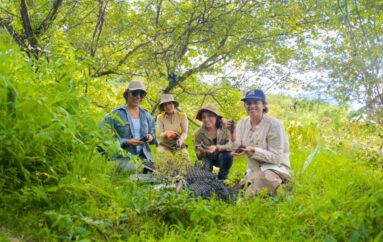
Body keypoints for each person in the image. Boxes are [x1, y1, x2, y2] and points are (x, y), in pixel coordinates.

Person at [233, 89, 291, 197]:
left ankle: (281, 184)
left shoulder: (274, 125)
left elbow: (276, 158)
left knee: (249, 197)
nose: (252, 106)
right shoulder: (242, 123)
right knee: (237, 192)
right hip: (254, 170)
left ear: (264, 105)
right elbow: (236, 145)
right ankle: (272, 187)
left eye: (256, 102)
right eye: (249, 103)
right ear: (245, 105)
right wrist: (232, 139)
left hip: (275, 168)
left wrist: (254, 150)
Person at [101, 80, 156, 172]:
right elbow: (104, 140)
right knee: (136, 169)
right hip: (122, 158)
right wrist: (126, 142)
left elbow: (154, 137)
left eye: (141, 94)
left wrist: (150, 137)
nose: (138, 97)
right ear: (127, 94)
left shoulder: (147, 116)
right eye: (135, 93)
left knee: (163, 170)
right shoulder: (114, 115)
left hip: (144, 158)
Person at [194, 105, 234, 180]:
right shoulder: (198, 133)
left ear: (216, 117)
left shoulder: (225, 128)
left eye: (209, 116)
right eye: (203, 117)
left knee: (228, 155)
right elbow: (198, 156)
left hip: (221, 157)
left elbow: (232, 145)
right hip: (208, 158)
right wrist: (202, 152)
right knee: (206, 177)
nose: (206, 119)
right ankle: (209, 176)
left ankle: (222, 177)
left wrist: (218, 147)